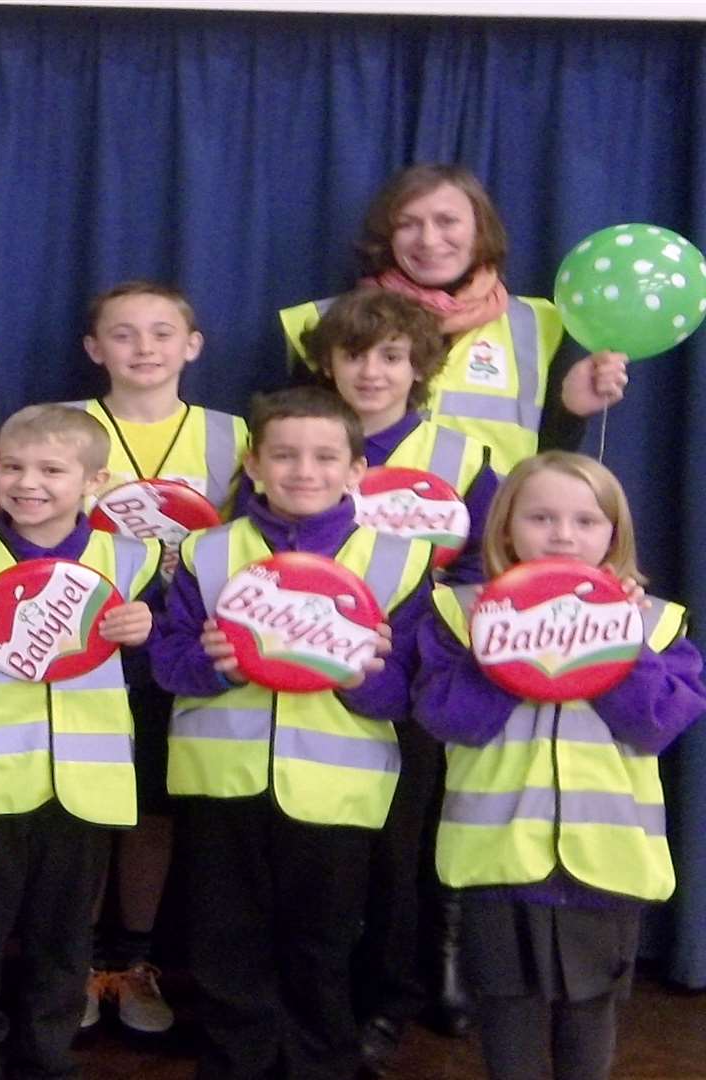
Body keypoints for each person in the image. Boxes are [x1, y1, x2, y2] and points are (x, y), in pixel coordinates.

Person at [149, 387, 432, 1080]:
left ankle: (321, 1064)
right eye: (284, 455)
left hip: (338, 793)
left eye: (324, 456)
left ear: (357, 469)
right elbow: (168, 661)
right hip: (223, 781)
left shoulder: (400, 561)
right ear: (254, 464)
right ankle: (233, 1064)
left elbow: (408, 694)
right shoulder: (207, 554)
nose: (304, 470)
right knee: (224, 944)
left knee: (323, 947)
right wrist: (213, 665)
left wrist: (358, 673)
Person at [414, 452, 706, 1080]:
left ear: (614, 535)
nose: (563, 535)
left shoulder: (654, 623)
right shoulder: (458, 616)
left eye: (585, 521)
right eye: (541, 517)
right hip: (495, 859)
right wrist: (506, 637)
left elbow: (654, 724)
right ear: (506, 528)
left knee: (590, 1019)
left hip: (608, 862)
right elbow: (450, 718)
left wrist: (613, 636)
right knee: (507, 1016)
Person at [0, 403, 158, 1080]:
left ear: (94, 480)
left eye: (52, 469)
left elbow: (150, 677)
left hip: (84, 785)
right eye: (11, 466)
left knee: (63, 941)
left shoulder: (133, 560)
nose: (28, 482)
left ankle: (48, 1058)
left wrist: (144, 639)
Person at [294, 287, 501, 1071]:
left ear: (420, 366)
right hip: (310, 668)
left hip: (414, 673)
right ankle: (322, 999)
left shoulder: (462, 456)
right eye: (354, 354)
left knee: (402, 846)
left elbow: (488, 567)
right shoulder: (300, 441)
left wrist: (423, 614)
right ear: (327, 363)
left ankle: (391, 997)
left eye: (390, 356)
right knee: (331, 849)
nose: (371, 371)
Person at [65, 280, 247, 1035]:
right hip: (80, 640)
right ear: (94, 348)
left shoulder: (230, 435)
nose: (144, 348)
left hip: (181, 645)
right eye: (125, 333)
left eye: (162, 333)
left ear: (193, 346)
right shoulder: (65, 425)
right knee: (83, 800)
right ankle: (76, 962)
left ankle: (134, 959)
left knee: (152, 809)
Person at [280, 163, 627, 476]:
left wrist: (571, 411)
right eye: (408, 224)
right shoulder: (325, 322)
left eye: (447, 221)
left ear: (480, 230)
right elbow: (289, 451)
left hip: (492, 535)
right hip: (362, 539)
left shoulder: (541, 324)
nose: (429, 240)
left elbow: (547, 464)